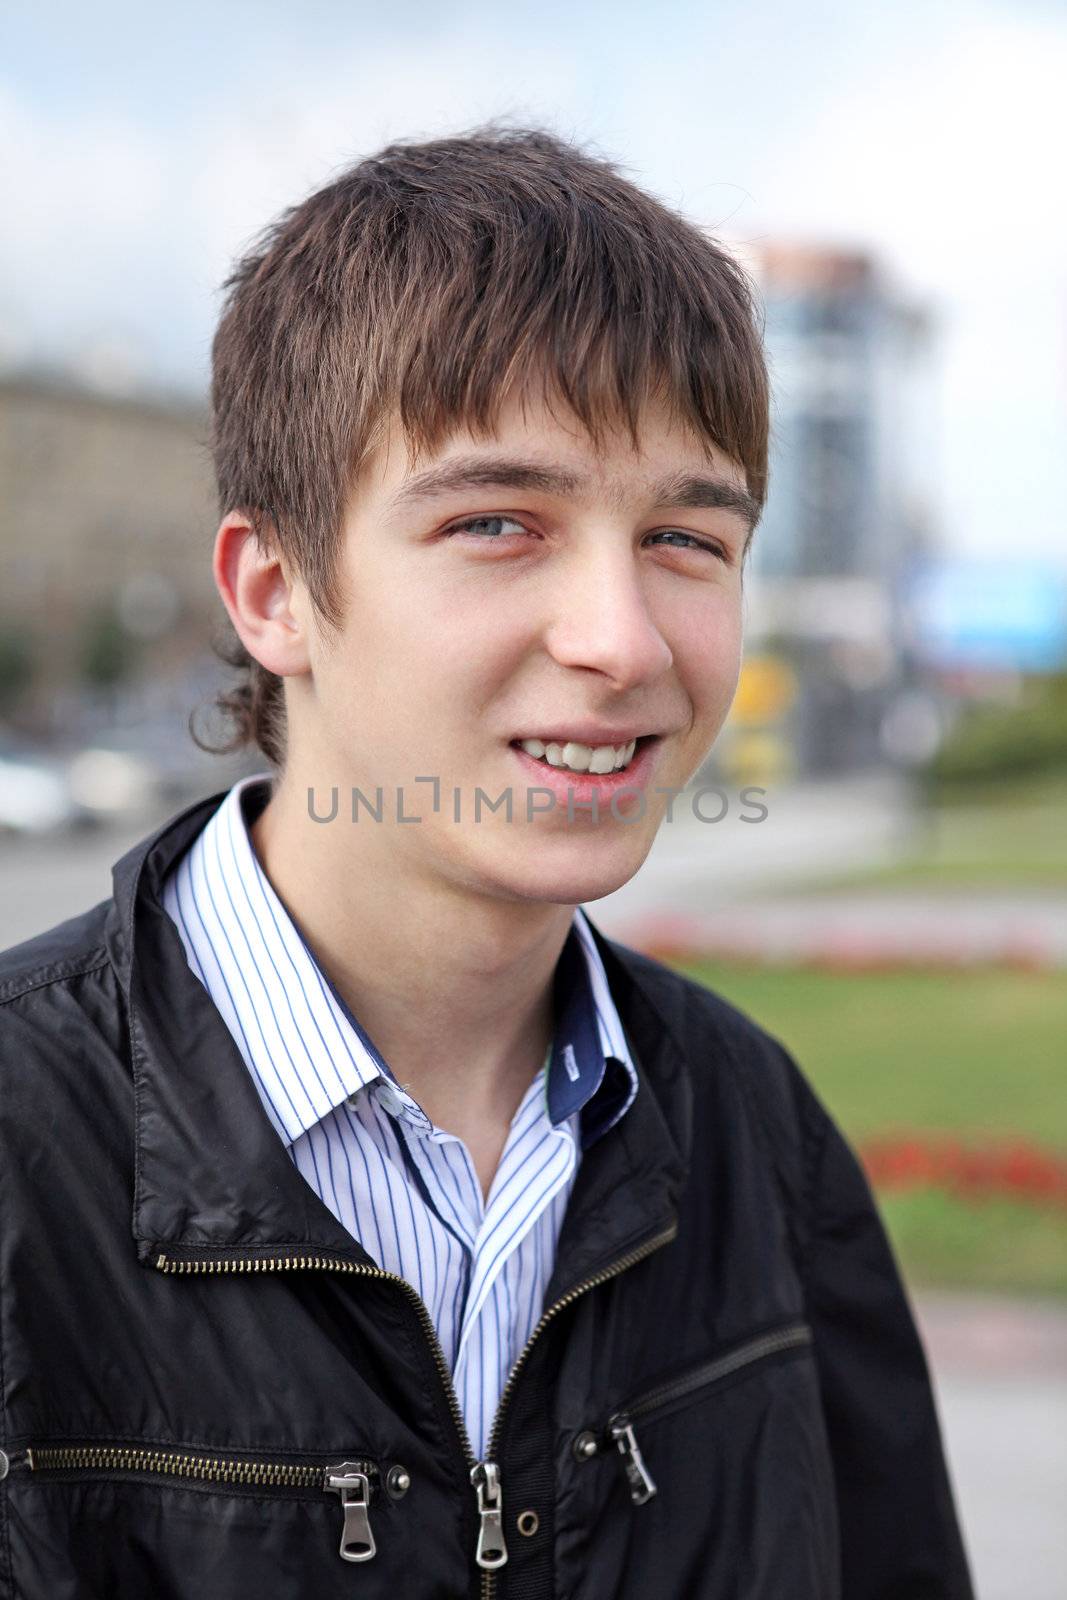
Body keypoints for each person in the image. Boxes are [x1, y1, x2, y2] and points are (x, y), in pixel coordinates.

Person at [0, 127, 973, 1599]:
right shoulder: (23, 1150)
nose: (625, 639)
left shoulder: (761, 1138)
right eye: (498, 524)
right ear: (276, 592)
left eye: (686, 539)